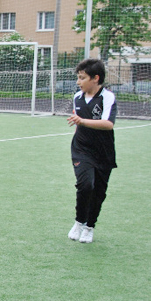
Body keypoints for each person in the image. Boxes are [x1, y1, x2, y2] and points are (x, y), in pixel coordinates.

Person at [66, 58, 117, 244]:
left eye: (82, 77)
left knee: (99, 192)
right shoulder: (77, 97)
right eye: (78, 78)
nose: (78, 82)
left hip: (103, 151)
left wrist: (82, 121)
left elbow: (108, 124)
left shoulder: (107, 96)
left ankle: (89, 227)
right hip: (81, 149)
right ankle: (79, 222)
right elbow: (77, 124)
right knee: (85, 184)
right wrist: (79, 129)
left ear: (95, 78)